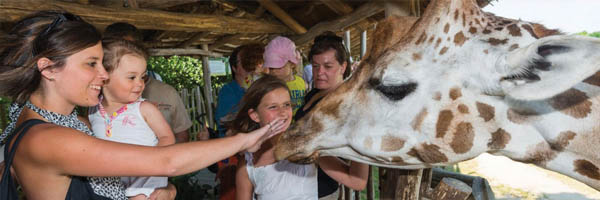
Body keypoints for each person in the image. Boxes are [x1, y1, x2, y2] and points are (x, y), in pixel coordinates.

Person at [0, 11, 285, 200]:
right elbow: (166, 161)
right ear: (48, 69)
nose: (104, 74)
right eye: (91, 64)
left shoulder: (63, 124)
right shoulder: (45, 138)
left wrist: (166, 192)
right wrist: (244, 140)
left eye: (103, 63)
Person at [232, 75, 368, 200]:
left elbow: (356, 181)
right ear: (255, 115)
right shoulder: (247, 164)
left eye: (286, 105)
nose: (283, 113)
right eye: (273, 107)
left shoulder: (306, 145)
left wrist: (362, 134)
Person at [87, 38, 175, 199]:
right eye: (131, 77)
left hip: (145, 179)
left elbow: (167, 136)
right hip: (111, 181)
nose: (140, 83)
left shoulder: (144, 108)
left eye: (142, 77)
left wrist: (154, 160)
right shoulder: (93, 110)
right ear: (104, 77)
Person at [295, 32, 366, 200]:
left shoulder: (349, 106)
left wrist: (311, 151)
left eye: (328, 66)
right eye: (315, 66)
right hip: (300, 186)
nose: (319, 73)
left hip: (321, 191)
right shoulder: (316, 93)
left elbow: (358, 181)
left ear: (343, 67)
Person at [104, 22, 195, 143]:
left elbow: (179, 137)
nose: (139, 84)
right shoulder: (95, 102)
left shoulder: (163, 95)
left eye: (130, 48)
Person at [213, 43, 264, 200]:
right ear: (235, 68)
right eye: (245, 61)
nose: (251, 66)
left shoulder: (260, 87)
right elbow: (228, 123)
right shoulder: (228, 91)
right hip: (233, 156)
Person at [263, 36, 306, 116]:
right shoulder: (270, 86)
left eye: (279, 67)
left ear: (292, 64)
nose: (274, 71)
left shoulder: (301, 82)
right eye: (271, 68)